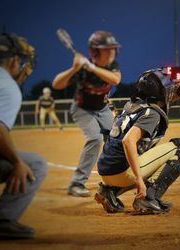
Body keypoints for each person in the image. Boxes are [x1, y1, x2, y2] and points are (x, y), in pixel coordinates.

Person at [95, 68, 180, 214]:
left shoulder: (131, 106)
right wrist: (139, 180)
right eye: (166, 89)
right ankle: (149, 198)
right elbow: (128, 141)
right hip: (122, 173)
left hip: (107, 172)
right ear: (159, 92)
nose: (169, 92)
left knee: (146, 155)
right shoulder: (152, 113)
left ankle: (109, 191)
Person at [52, 31, 121, 197]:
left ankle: (115, 179)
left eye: (113, 49)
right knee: (95, 139)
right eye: (107, 49)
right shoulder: (83, 69)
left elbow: (115, 79)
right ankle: (77, 183)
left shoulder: (112, 66)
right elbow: (56, 84)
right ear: (95, 51)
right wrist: (74, 68)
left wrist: (92, 67)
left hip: (103, 109)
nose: (111, 52)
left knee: (116, 139)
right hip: (83, 110)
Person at [0, 32, 48, 238]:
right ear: (14, 60)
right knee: (34, 164)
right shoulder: (7, 85)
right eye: (21, 60)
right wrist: (16, 161)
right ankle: (2, 220)